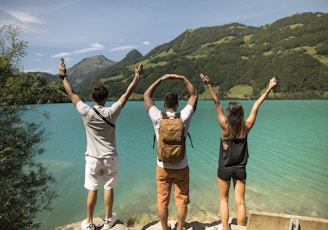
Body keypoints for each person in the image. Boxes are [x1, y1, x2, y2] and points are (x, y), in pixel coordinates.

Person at [59, 63, 143, 230]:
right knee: (109, 187)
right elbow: (126, 95)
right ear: (106, 98)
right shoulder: (112, 112)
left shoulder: (86, 111)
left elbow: (71, 93)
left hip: (92, 158)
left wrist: (63, 76)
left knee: (92, 189)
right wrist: (136, 77)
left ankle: (89, 223)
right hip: (111, 157)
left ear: (91, 97)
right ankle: (107, 220)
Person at [199, 73, 278, 230]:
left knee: (223, 200)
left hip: (224, 169)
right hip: (240, 169)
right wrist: (269, 89)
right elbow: (256, 105)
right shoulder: (246, 127)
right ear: (241, 114)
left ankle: (226, 228)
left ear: (229, 114)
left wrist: (208, 85)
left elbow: (217, 103)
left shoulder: (225, 126)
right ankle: (241, 228)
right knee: (240, 201)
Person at [143, 74, 198, 230]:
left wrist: (161, 79)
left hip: (163, 166)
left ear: (164, 104)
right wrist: (182, 78)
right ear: (177, 104)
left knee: (162, 200)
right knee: (181, 200)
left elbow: (146, 95)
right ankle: (180, 228)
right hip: (181, 166)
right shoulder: (184, 116)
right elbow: (194, 94)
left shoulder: (157, 117)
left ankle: (165, 228)